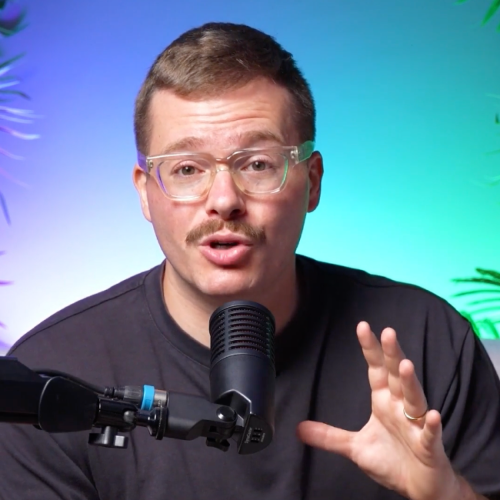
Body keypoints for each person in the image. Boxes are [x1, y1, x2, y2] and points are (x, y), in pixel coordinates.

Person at [1, 22, 499, 500]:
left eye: (258, 164)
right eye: (187, 168)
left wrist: (447, 494)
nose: (224, 201)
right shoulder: (48, 383)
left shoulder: (425, 341)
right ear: (145, 193)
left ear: (312, 182)